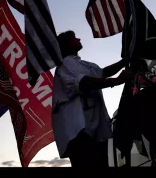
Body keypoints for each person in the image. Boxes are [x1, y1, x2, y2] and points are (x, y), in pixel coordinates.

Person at [51, 30, 134, 167]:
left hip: (95, 131)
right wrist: (117, 80)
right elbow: (84, 82)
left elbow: (103, 72)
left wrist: (125, 61)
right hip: (79, 132)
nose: (78, 38)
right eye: (73, 38)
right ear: (65, 45)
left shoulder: (83, 64)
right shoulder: (65, 64)